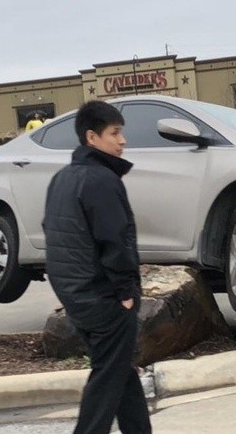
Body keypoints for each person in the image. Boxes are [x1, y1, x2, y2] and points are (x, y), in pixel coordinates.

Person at [43, 100, 151, 434]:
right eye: (114, 133)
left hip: (79, 298)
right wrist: (126, 292)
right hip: (105, 299)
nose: (122, 141)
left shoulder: (63, 178)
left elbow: (54, 235)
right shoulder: (102, 180)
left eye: (122, 132)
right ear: (92, 137)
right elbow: (114, 241)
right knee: (107, 379)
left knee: (121, 373)